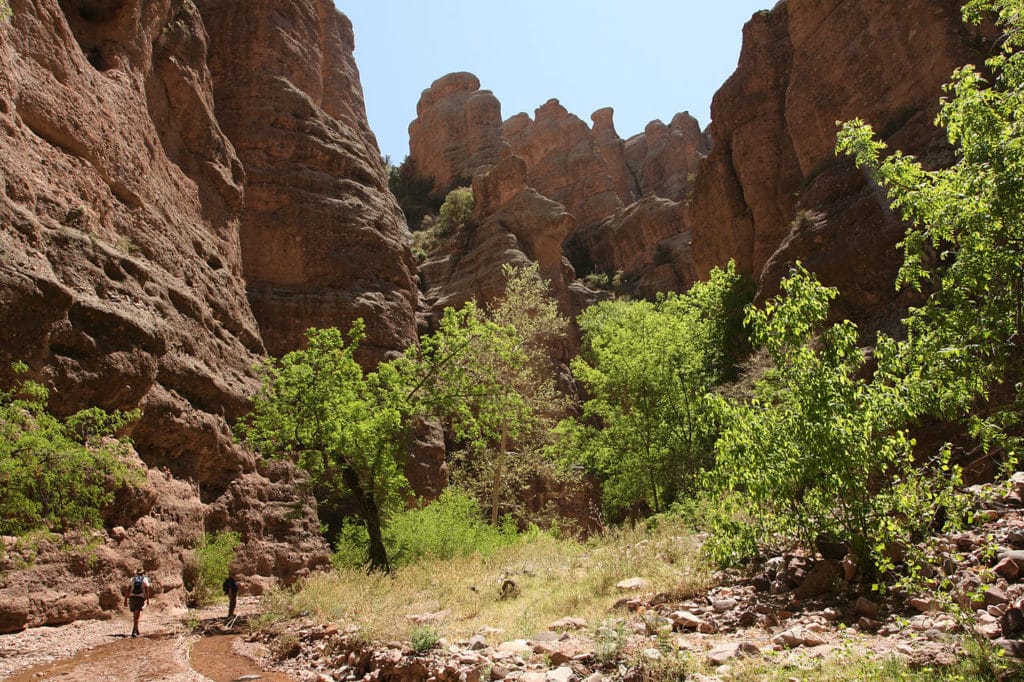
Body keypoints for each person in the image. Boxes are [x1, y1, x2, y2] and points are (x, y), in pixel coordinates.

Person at [123, 568, 150, 637]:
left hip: (132, 598)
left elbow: (128, 590)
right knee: (137, 615)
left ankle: (136, 630)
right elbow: (146, 591)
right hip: (140, 598)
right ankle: (134, 631)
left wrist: (125, 600)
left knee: (135, 615)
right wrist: (147, 600)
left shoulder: (132, 579)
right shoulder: (145, 579)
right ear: (143, 573)